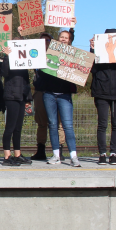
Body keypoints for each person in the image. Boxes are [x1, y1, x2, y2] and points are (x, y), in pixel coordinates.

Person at [33, 32, 82, 168]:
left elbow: (79, 68)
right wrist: (44, 64)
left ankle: (73, 156)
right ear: (57, 39)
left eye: (66, 38)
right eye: (61, 37)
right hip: (49, 94)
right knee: (52, 124)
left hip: (64, 95)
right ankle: (56, 156)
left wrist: (72, 29)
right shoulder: (49, 55)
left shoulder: (71, 55)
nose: (63, 39)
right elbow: (41, 74)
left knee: (67, 125)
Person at [89, 30, 116, 165]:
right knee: (102, 124)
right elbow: (92, 69)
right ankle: (102, 154)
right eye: (108, 38)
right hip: (101, 91)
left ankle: (113, 154)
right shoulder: (99, 51)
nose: (111, 40)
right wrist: (92, 49)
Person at [0, 45, 33, 166]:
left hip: (22, 96)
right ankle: (7, 156)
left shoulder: (24, 61)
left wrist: (28, 97)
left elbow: (26, 80)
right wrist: (6, 56)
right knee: (10, 127)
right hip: (11, 96)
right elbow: (4, 73)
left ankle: (17, 155)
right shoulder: (7, 58)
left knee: (18, 127)